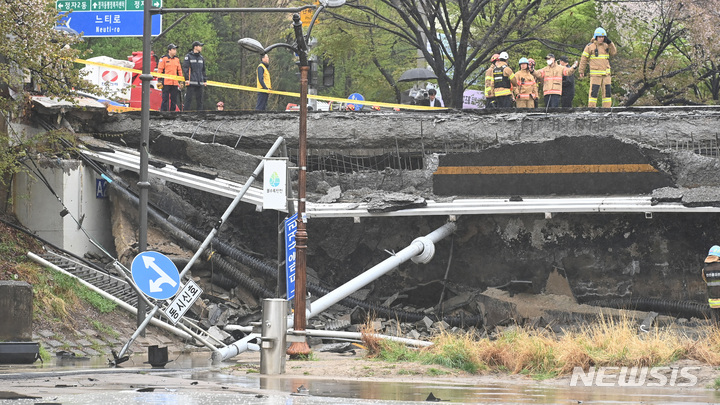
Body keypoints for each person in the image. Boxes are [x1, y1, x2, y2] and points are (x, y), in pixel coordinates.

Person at [578, 27, 617, 108]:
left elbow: (613, 52)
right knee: (593, 93)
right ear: (596, 37)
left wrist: (610, 43)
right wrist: (581, 71)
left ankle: (607, 109)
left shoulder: (606, 45)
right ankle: (591, 108)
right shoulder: (590, 46)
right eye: (599, 37)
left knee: (607, 94)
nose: (601, 39)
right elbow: (583, 59)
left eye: (603, 37)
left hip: (606, 74)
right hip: (595, 75)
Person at [157, 43, 183, 112]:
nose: (175, 51)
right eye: (173, 49)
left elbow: (179, 71)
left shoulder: (177, 59)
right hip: (166, 82)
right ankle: (164, 112)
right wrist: (159, 80)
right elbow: (160, 70)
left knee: (174, 99)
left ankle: (172, 112)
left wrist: (181, 81)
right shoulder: (164, 58)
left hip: (174, 83)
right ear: (169, 50)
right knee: (165, 98)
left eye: (175, 49)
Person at [182, 41, 207, 111]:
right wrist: (187, 79)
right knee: (188, 99)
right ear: (195, 47)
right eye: (200, 46)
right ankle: (185, 114)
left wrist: (204, 80)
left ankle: (200, 114)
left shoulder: (201, 58)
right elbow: (185, 68)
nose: (201, 47)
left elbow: (203, 70)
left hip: (200, 82)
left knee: (200, 100)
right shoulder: (188, 56)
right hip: (191, 81)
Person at [703, 245, 720, 325]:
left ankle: (715, 335)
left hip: (712, 300)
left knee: (715, 322)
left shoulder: (705, 269)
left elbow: (706, 280)